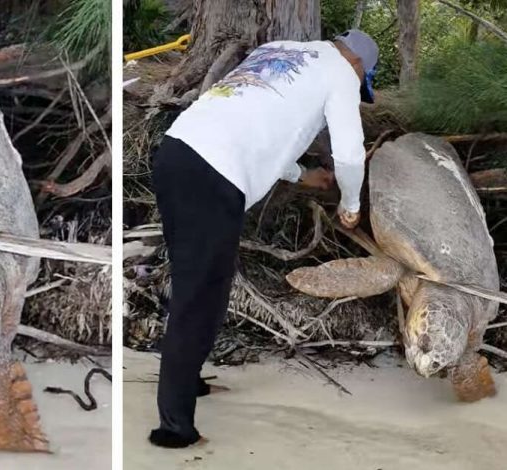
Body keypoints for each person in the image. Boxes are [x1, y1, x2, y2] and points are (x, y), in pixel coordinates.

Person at [149, 30, 379, 448]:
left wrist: (301, 175)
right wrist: (350, 204)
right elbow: (349, 153)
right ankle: (174, 428)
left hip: (177, 153)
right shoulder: (341, 74)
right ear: (359, 66)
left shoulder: (279, 49)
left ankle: (187, 382)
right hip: (213, 175)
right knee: (198, 296)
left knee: (205, 286)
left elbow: (257, 124)